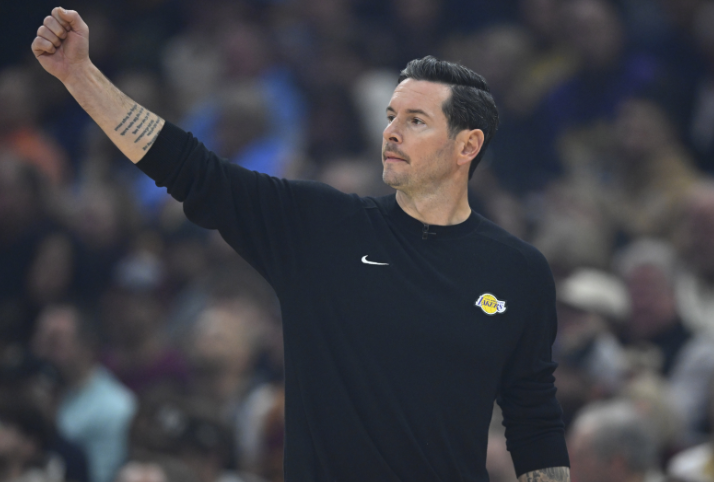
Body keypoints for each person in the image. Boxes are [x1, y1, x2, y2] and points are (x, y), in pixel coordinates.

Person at [31, 8, 570, 482]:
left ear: (467, 145)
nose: (391, 132)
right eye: (390, 118)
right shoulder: (322, 225)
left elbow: (534, 421)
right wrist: (80, 76)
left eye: (415, 121)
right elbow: (191, 170)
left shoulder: (518, 270)